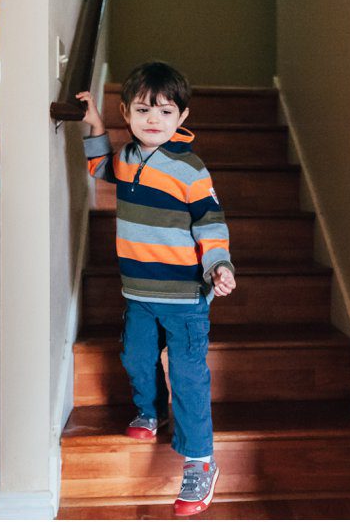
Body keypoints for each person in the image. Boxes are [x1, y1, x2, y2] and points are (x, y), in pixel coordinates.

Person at [75, 60, 236, 516]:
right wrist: (94, 123)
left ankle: (200, 462)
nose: (154, 120)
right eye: (144, 110)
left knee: (187, 377)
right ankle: (150, 410)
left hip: (185, 298)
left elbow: (212, 224)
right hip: (138, 293)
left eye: (166, 112)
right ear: (127, 113)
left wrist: (219, 266)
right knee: (135, 356)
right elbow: (100, 167)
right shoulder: (127, 158)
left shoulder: (191, 170)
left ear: (182, 118)